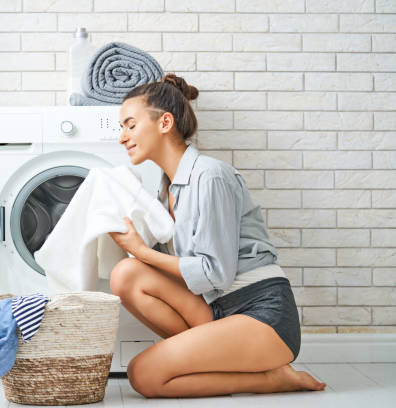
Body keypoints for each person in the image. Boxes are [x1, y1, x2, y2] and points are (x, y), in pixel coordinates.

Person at [108, 73, 327, 398]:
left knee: (143, 375)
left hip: (262, 313)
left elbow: (215, 272)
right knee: (125, 275)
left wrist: (142, 251)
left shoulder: (210, 176)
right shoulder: (165, 189)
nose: (122, 137)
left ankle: (272, 379)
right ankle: (231, 362)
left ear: (165, 122)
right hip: (216, 307)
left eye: (130, 125)